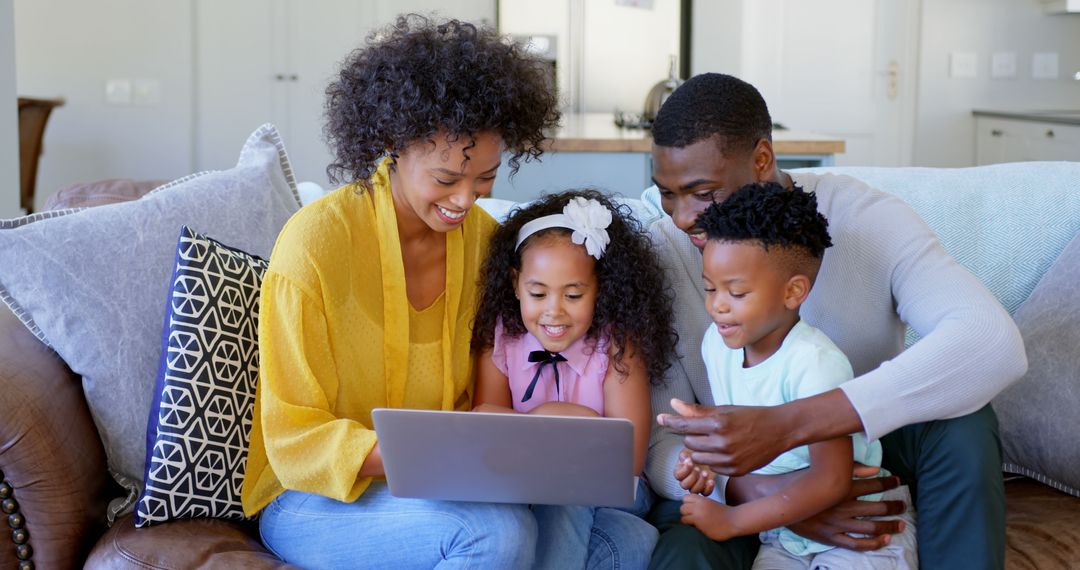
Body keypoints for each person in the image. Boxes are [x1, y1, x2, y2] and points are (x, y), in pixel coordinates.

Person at [643, 73, 1026, 570]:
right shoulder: (660, 250)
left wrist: (790, 426)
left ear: (761, 160)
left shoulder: (866, 220)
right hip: (741, 474)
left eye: (703, 193)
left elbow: (992, 341)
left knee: (964, 421)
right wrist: (771, 496)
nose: (682, 217)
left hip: (865, 453)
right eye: (668, 194)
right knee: (682, 550)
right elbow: (656, 437)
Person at [239, 15, 560, 568]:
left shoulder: (486, 243)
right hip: (314, 497)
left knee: (620, 541)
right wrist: (430, 457)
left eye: (484, 177)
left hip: (449, 481)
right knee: (496, 535)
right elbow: (293, 436)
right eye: (445, 179)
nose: (466, 199)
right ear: (392, 142)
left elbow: (496, 381)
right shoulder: (316, 245)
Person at [677, 182, 917, 569]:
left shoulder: (815, 363)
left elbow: (832, 479)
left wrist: (734, 520)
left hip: (860, 529)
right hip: (782, 533)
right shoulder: (715, 344)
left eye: (736, 293)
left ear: (793, 292)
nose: (717, 306)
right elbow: (743, 440)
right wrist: (704, 462)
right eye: (709, 288)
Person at [471, 189, 678, 569]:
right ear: (516, 284)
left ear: (600, 289)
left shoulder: (616, 347)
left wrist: (545, 418)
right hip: (523, 486)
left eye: (573, 294)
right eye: (537, 292)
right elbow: (488, 433)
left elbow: (625, 459)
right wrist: (563, 430)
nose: (554, 311)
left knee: (568, 485)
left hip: (614, 490)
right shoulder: (500, 338)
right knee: (632, 541)